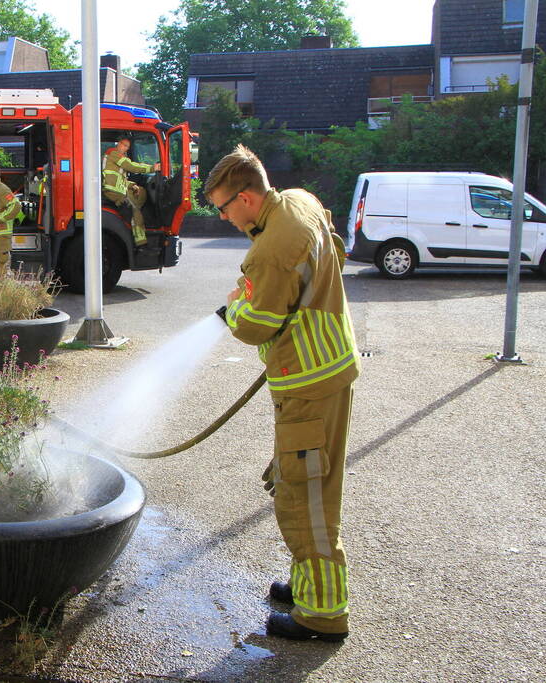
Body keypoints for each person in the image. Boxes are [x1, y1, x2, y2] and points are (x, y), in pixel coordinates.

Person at [205, 144, 359, 642]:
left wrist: (233, 310)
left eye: (224, 208)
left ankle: (322, 613)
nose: (224, 218)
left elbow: (256, 325)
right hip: (328, 362)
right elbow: (323, 255)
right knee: (304, 480)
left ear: (247, 197)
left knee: (303, 493)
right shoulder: (298, 202)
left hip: (306, 379)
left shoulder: (271, 248)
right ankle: (307, 583)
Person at [102, 132, 160, 248]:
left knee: (134, 208)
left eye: (127, 147)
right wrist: (153, 168)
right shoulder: (113, 153)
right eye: (124, 145)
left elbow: (118, 178)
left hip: (115, 191)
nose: (125, 148)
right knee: (135, 213)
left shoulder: (114, 156)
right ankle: (141, 244)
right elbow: (132, 166)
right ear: (118, 144)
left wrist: (132, 185)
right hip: (113, 192)